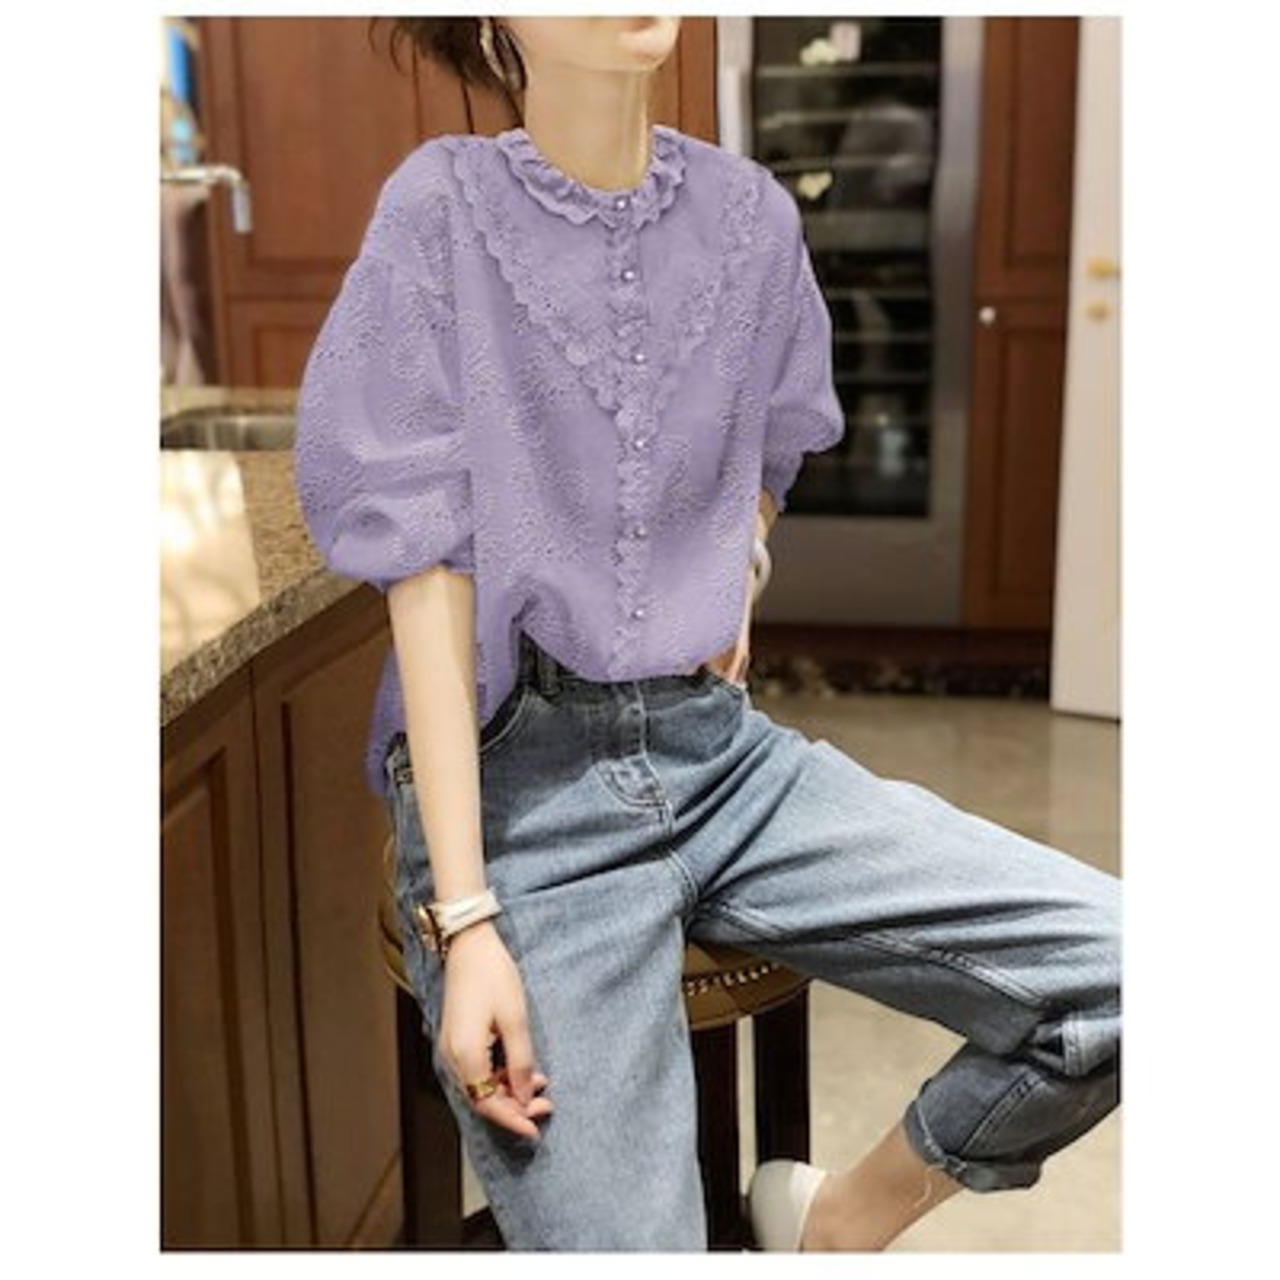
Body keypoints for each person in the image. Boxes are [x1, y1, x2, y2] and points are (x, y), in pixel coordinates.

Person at [292, 15, 1121, 1253]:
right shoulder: (440, 210)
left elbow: (772, 443)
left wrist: (740, 564)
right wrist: (464, 921)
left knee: (1122, 969)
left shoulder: (750, 218)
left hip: (717, 752)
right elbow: (425, 571)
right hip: (520, 798)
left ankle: (834, 1223)